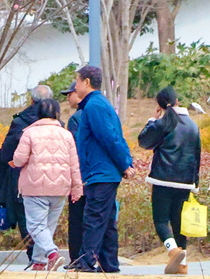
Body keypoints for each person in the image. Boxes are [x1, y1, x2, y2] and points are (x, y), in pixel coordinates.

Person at [71, 66, 135, 274]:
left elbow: (109, 137)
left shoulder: (94, 106)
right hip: (103, 172)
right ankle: (109, 263)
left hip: (101, 173)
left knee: (94, 218)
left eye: (77, 81)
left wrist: (125, 164)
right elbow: (117, 136)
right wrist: (125, 163)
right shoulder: (100, 104)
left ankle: (86, 261)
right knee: (106, 221)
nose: (76, 85)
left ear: (87, 82)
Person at [10, 97, 82, 272]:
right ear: (56, 114)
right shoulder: (66, 135)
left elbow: (19, 160)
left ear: (38, 114)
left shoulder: (29, 133)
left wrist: (12, 162)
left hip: (35, 187)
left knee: (35, 225)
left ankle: (51, 253)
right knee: (48, 226)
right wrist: (77, 187)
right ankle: (39, 262)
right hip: (60, 188)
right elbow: (74, 163)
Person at [138, 87, 201, 276]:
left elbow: (143, 141)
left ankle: (173, 251)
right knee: (179, 223)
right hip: (185, 182)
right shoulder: (192, 125)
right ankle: (182, 264)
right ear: (177, 101)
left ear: (160, 106)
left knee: (161, 221)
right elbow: (197, 155)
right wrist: (195, 183)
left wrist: (152, 119)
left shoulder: (163, 124)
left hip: (163, 179)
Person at [0, 85, 54, 260]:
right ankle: (42, 257)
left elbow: (6, 154)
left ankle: (35, 257)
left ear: (32, 100)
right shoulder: (59, 126)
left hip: (23, 182)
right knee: (47, 222)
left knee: (27, 221)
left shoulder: (20, 122)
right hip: (54, 182)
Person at [63, 83, 85, 265]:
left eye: (69, 94)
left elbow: (74, 151)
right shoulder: (101, 113)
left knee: (77, 219)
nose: (67, 98)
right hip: (98, 176)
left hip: (80, 176)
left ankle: (77, 258)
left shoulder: (76, 119)